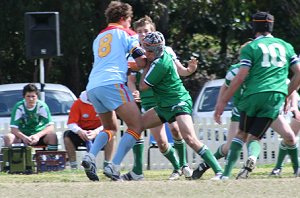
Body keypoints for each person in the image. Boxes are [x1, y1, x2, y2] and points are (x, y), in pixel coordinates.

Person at [122, 31, 222, 180]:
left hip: (178, 102)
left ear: (155, 51)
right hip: (164, 105)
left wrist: (143, 66)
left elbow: (143, 86)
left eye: (147, 50)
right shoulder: (157, 59)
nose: (144, 53)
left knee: (190, 138)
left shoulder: (159, 64)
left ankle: (219, 172)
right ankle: (137, 171)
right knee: (136, 126)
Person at [213, 11, 300, 180]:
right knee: (256, 137)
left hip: (253, 95)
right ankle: (290, 168)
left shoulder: (251, 47)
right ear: (271, 26)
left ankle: (226, 174)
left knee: (241, 135)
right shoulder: (286, 46)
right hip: (275, 96)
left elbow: (241, 76)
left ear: (254, 27)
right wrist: (285, 94)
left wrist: (222, 102)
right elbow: (298, 74)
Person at [193, 62, 300, 179]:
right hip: (242, 109)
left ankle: (294, 169)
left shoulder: (268, 69)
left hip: (267, 109)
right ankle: (208, 166)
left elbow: (290, 86)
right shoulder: (236, 70)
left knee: (289, 137)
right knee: (230, 147)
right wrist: (220, 103)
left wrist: (293, 105)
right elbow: (225, 86)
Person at [122, 16, 197, 181]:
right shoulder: (134, 54)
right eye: (139, 32)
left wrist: (189, 70)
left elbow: (180, 71)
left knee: (176, 130)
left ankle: (184, 165)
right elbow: (131, 80)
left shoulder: (166, 51)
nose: (142, 34)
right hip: (148, 100)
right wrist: (134, 91)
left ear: (153, 31)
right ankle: (177, 168)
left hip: (166, 98)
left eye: (146, 31)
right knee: (161, 142)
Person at [81, 1, 147, 181]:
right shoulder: (127, 33)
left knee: (110, 127)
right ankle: (114, 165)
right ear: (123, 18)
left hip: (93, 85)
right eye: (130, 20)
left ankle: (90, 156)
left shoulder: (99, 37)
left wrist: (125, 66)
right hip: (113, 84)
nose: (131, 23)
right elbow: (140, 60)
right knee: (136, 125)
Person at [63, 90, 116, 169]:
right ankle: (73, 166)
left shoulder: (105, 102)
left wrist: (96, 132)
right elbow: (71, 123)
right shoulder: (78, 103)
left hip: (99, 131)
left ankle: (107, 164)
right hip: (81, 132)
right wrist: (80, 131)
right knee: (67, 136)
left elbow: (109, 123)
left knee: (111, 136)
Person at [3, 83, 58, 150]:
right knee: (8, 137)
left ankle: (51, 158)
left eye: (33, 96)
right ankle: (11, 159)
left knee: (52, 136)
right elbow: (13, 128)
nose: (31, 99)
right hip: (22, 135)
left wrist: (37, 136)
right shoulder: (19, 107)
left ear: (37, 96)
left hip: (38, 134)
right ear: (24, 97)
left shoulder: (42, 106)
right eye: (28, 96)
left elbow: (50, 126)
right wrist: (24, 137)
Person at [270, 90, 300, 176]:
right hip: (296, 103)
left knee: (290, 138)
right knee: (290, 138)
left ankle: (278, 168)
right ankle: (278, 167)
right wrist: (294, 106)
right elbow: (293, 87)